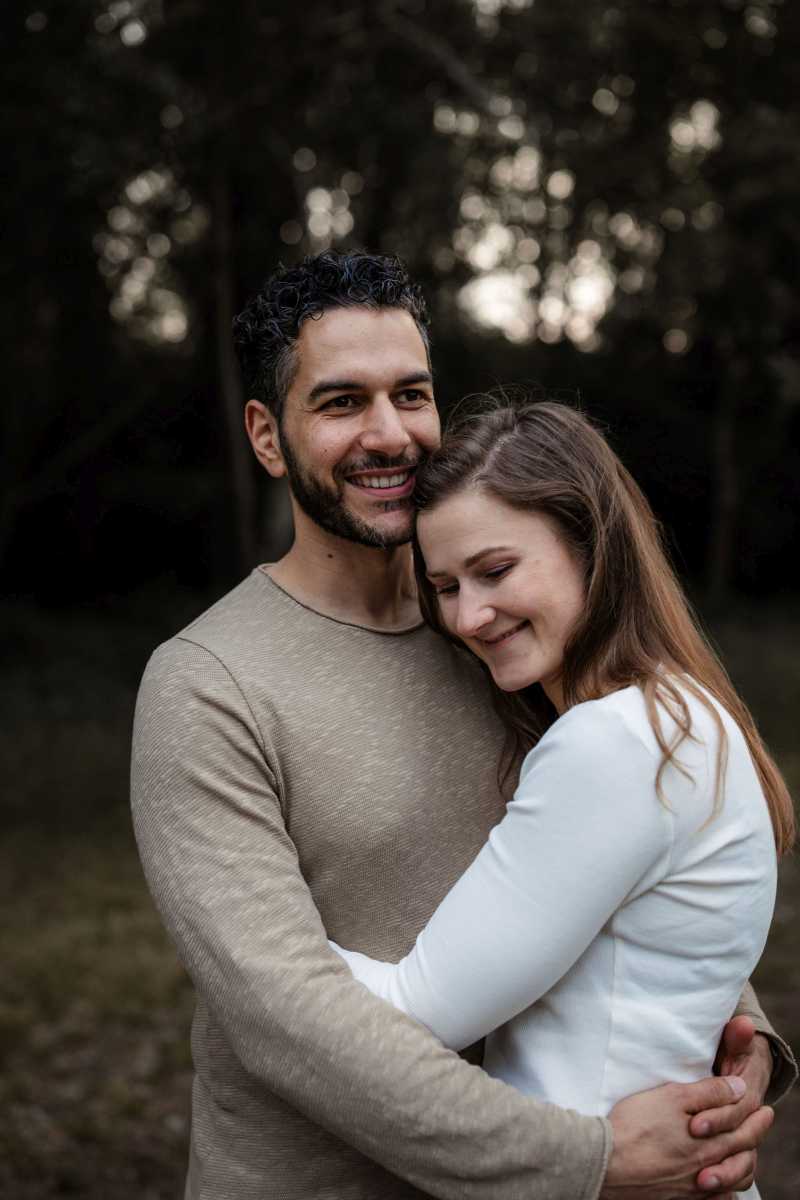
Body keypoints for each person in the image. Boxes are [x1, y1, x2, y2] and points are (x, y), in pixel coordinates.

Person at [131, 251, 796, 1200]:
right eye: (340, 402)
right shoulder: (208, 686)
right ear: (268, 438)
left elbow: (635, 856)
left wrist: (738, 1039)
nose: (388, 433)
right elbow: (281, 1018)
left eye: (411, 394)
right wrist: (590, 1160)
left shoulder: (504, 636)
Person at [328, 399, 796, 1200]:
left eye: (497, 571)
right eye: (443, 586)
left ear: (590, 545)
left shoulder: (612, 742)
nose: (469, 615)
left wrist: (251, 943)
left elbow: (418, 1013)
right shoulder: (686, 714)